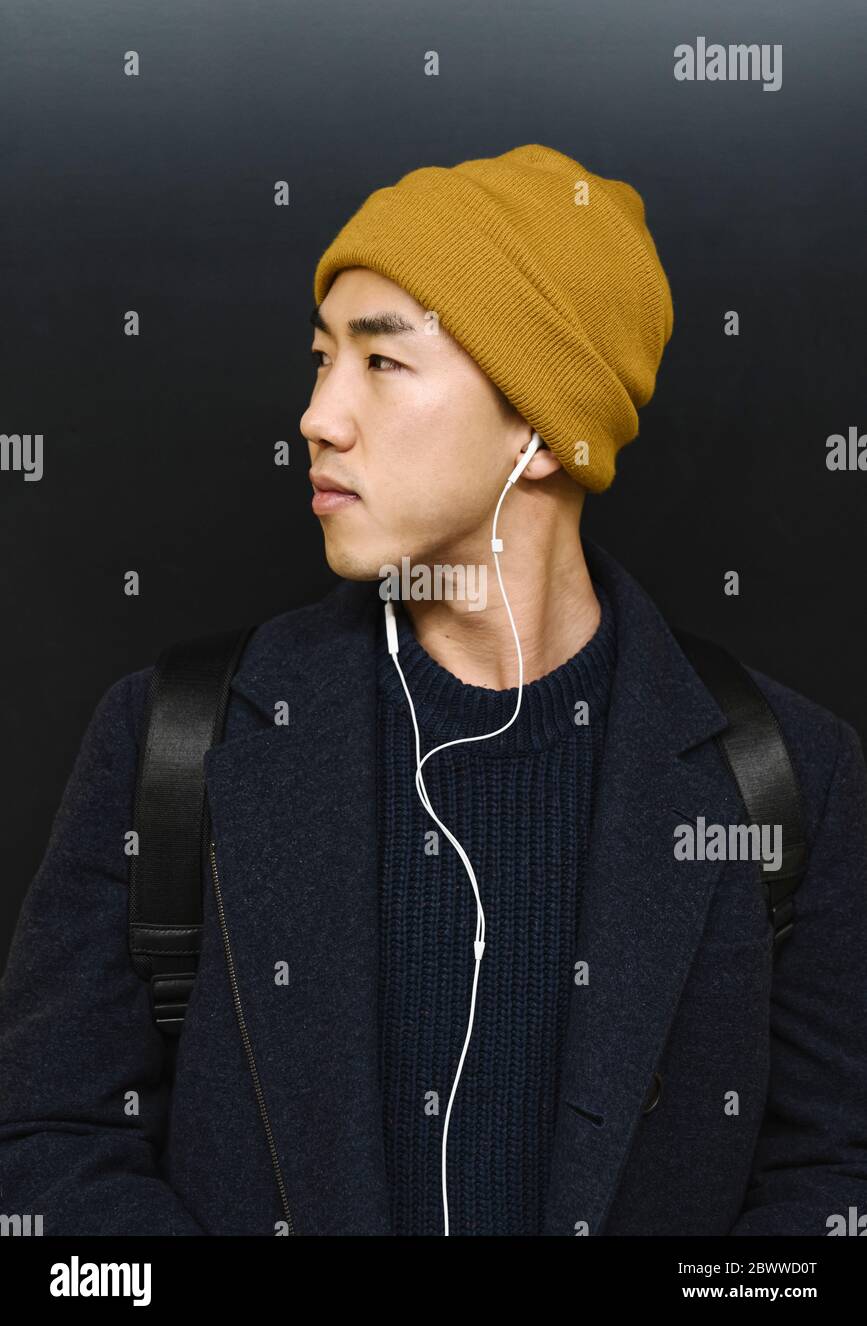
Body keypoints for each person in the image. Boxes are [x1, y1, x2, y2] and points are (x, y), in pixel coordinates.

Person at [1, 144, 865, 1237]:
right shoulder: (173, 738)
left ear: (548, 431)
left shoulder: (785, 775)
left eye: (381, 364)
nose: (317, 415)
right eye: (320, 361)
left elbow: (836, 1173)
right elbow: (49, 1146)